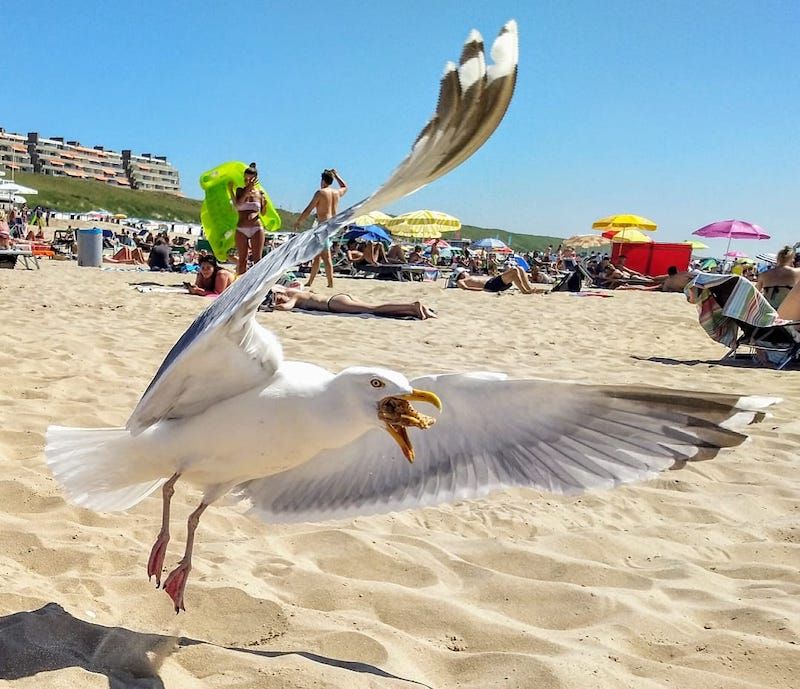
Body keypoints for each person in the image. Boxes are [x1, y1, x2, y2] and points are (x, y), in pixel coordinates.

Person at [294, 168, 348, 288]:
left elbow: (309, 209)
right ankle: (310, 281)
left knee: (326, 257)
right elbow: (345, 186)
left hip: (323, 226)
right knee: (317, 256)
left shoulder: (321, 192)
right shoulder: (336, 193)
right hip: (332, 226)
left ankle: (330, 284)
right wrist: (337, 175)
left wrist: (299, 221)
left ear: (323, 180)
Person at [269, 287, 436, 319]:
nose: (280, 300)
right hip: (338, 298)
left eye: (278, 298)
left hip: (334, 303)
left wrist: (273, 307)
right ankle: (417, 310)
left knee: (373, 309)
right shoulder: (298, 291)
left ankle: (412, 306)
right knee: (374, 308)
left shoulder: (295, 295)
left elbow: (287, 307)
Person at [228, 162, 267, 276]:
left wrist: (265, 204)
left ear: (255, 179)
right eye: (245, 179)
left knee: (257, 260)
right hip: (241, 227)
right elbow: (238, 204)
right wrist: (247, 189)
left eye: (250, 180)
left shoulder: (260, 194)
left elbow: (263, 213)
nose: (247, 182)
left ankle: (257, 282)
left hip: (256, 227)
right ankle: (242, 283)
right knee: (242, 260)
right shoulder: (240, 191)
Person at [454, 266, 538, 294]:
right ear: (462, 273)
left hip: (493, 281)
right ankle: (524, 291)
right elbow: (465, 288)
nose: (467, 272)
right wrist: (481, 289)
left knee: (520, 268)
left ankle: (529, 288)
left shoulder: (469, 277)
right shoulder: (461, 281)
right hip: (490, 285)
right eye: (465, 272)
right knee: (514, 270)